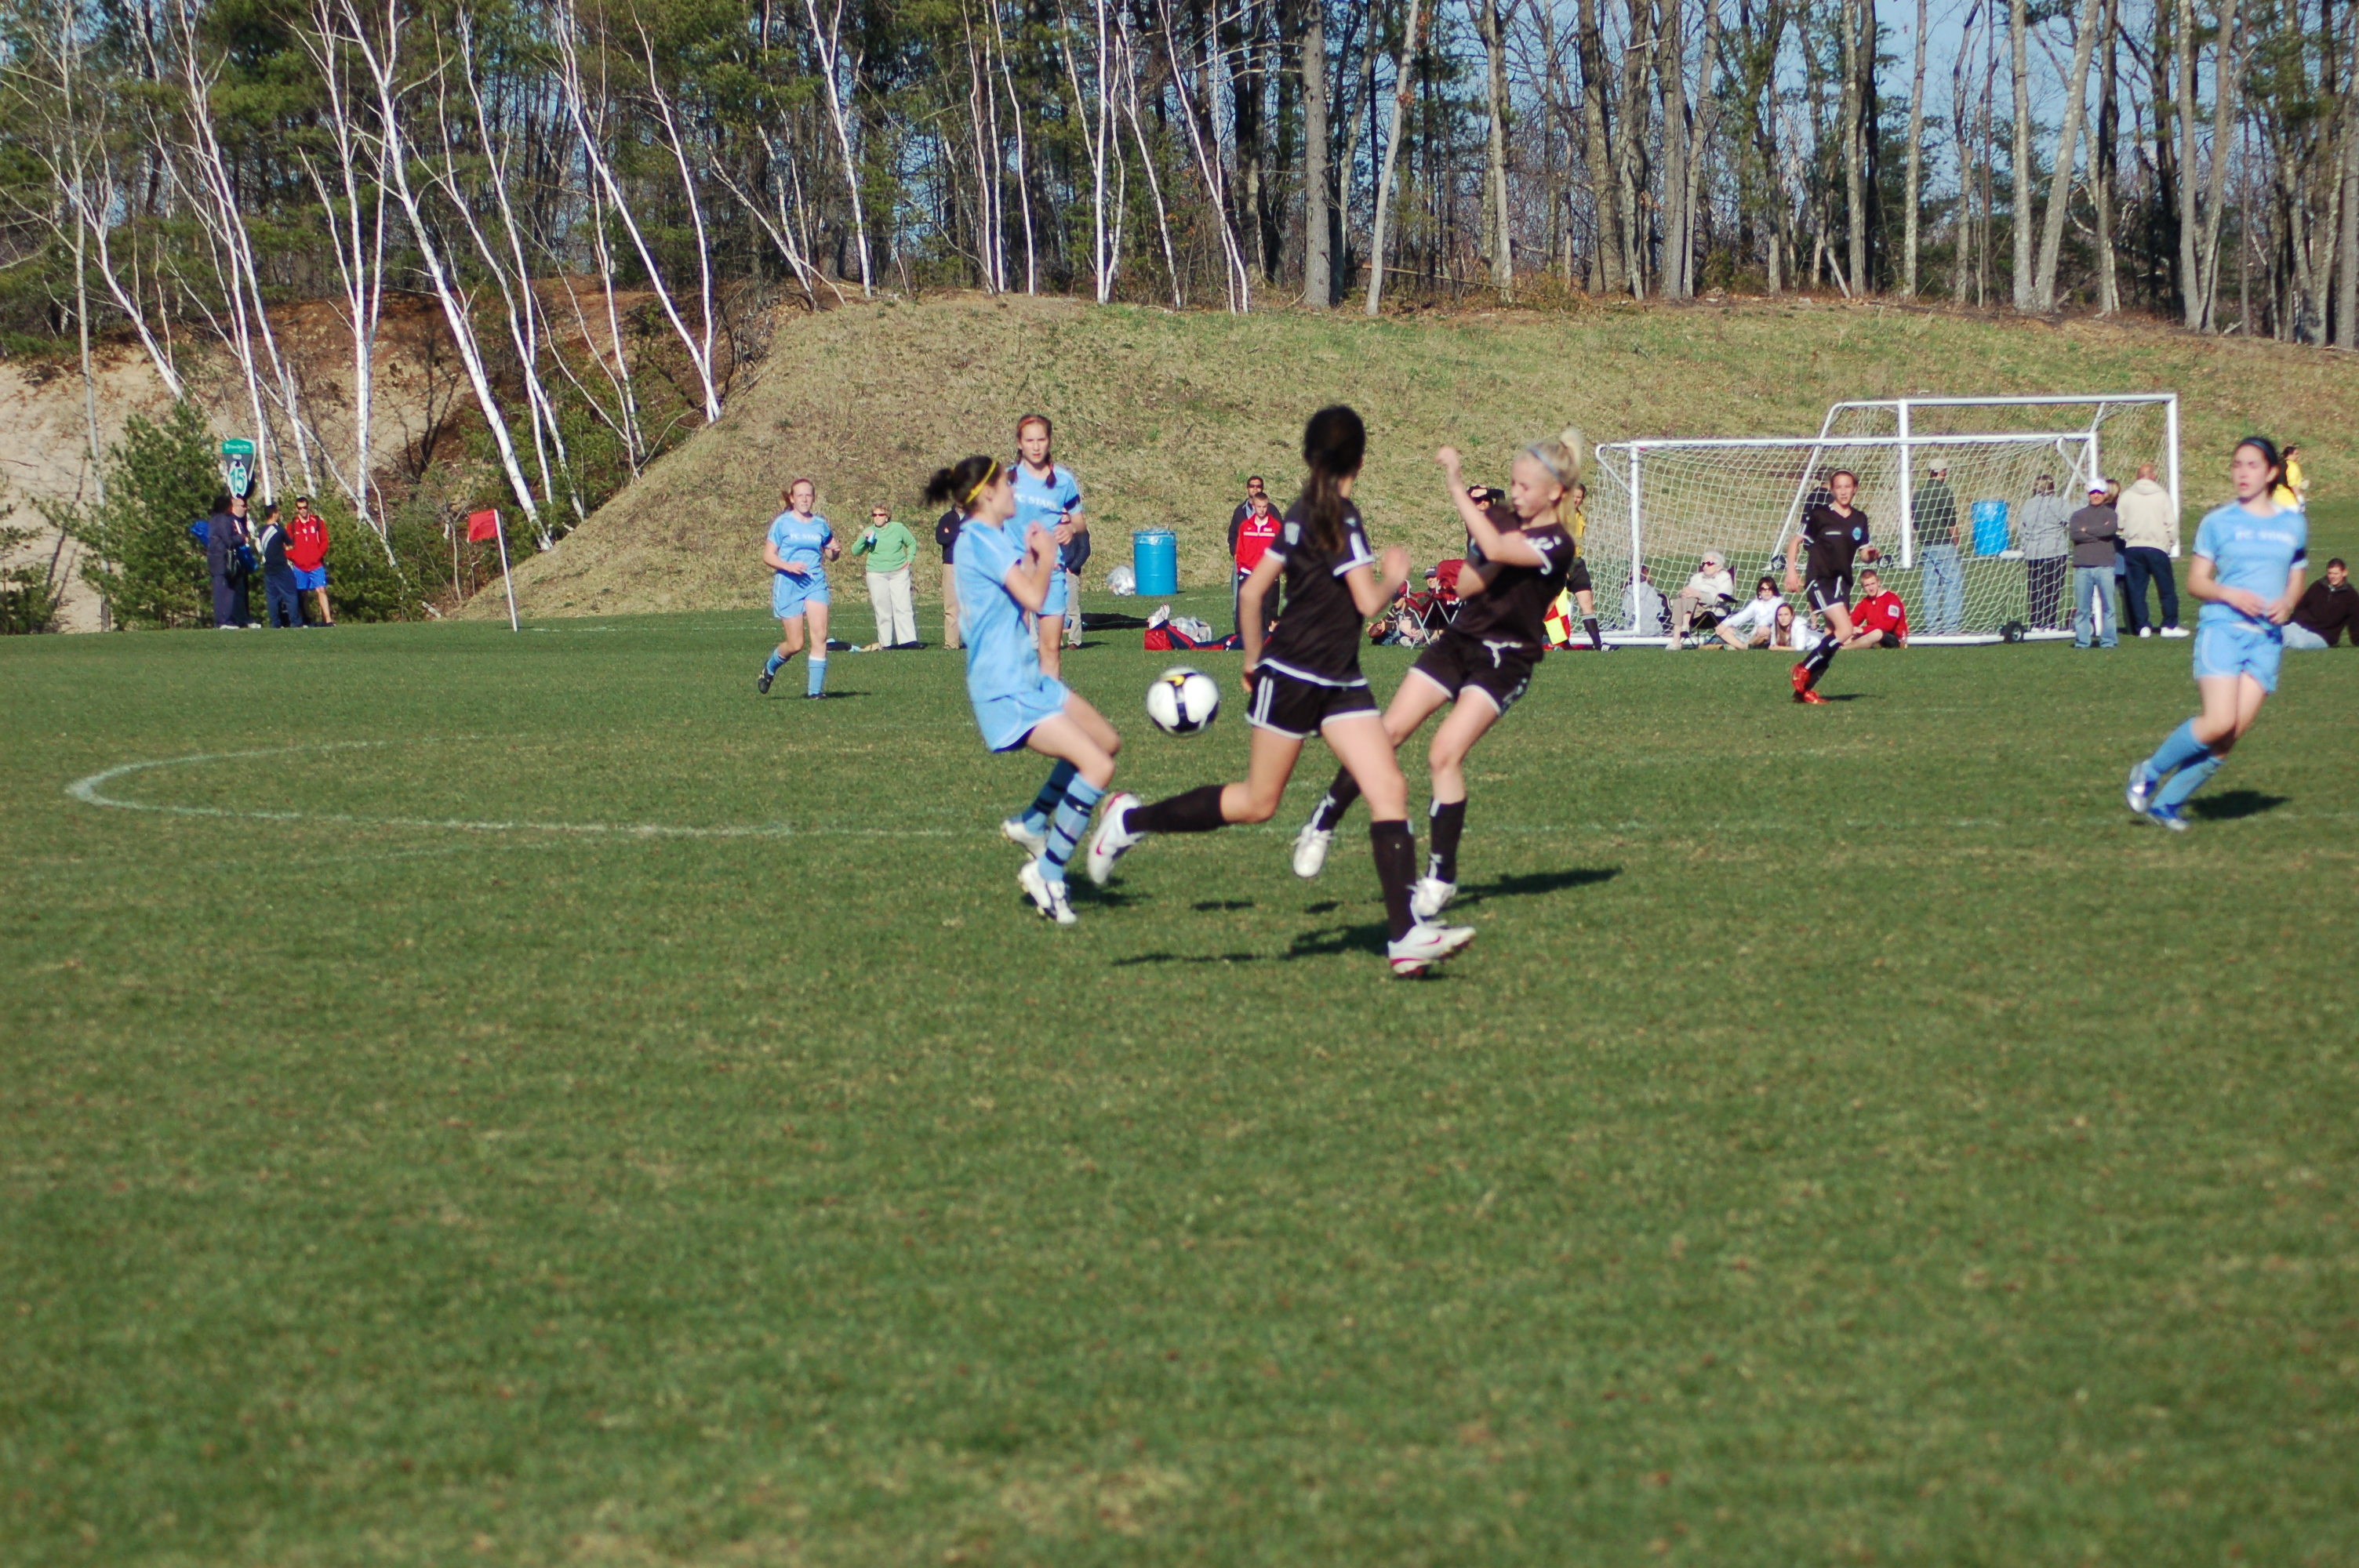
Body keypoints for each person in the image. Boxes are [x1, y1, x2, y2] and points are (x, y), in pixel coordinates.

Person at [1086, 406, 1474, 977]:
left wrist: (1250, 657)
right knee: (1257, 803)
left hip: (1338, 680)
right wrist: (1394, 575)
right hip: (1295, 676)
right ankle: (1128, 822)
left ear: (1310, 457)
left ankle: (1405, 938)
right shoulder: (1340, 516)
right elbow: (1368, 603)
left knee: (1389, 788)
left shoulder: (1298, 511)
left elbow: (1252, 594)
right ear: (1360, 461)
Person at [1289, 431, 1581, 920]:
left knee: (1444, 753)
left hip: (1505, 660)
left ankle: (1441, 877)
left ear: (1555, 492)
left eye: (1525, 487)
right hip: (1459, 643)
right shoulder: (1501, 519)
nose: (1515, 494)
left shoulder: (1557, 542)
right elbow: (1466, 584)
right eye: (1512, 483)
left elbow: (1495, 545)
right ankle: (1322, 822)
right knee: (1386, 733)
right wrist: (1488, 558)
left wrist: (1456, 484)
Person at [925, 454, 1125, 926]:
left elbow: (1018, 593)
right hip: (1004, 685)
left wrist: (1035, 557)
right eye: (1007, 484)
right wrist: (1048, 554)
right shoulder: (981, 539)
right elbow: (1034, 597)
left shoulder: (990, 537)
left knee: (1106, 742)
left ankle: (1034, 821)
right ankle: (1047, 873)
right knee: (1097, 766)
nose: (1015, 491)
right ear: (989, 494)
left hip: (1026, 675)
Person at [2126, 437, 2308, 830]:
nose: (2242, 472)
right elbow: (2196, 582)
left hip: (2266, 640)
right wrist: (2230, 593)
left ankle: (2166, 805)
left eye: (2252, 465)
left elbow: (2296, 576)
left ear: (2271, 472)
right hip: (2223, 630)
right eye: (2237, 464)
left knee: (2228, 739)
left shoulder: (2292, 523)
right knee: (2218, 721)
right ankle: (2149, 772)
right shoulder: (2217, 522)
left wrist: (2289, 603)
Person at [1782, 468, 1876, 702]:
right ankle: (1803, 668)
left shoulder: (1860, 519)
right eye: (1839, 487)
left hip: (1842, 584)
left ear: (1855, 489)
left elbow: (1864, 553)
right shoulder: (1819, 515)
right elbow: (1795, 542)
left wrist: (1871, 555)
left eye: (1848, 487)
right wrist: (1791, 571)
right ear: (1832, 490)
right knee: (1845, 630)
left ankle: (1803, 692)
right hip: (1819, 580)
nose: (1843, 491)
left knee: (1831, 640)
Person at [1011, 414, 1085, 675]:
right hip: (1015, 572)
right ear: (1019, 443)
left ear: (1049, 441)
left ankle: (1049, 699)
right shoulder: (1006, 479)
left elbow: (1080, 523)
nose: (1036, 447)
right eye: (1029, 440)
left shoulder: (1063, 481)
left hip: (1050, 573)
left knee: (1050, 649)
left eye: (1041, 440)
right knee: (1016, 648)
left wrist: (1070, 529)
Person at [757, 479, 841, 698]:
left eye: (808, 495)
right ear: (792, 499)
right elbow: (768, 556)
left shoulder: (820, 524)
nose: (804, 499)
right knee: (796, 644)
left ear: (814, 498)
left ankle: (815, 693)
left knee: (820, 635)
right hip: (789, 585)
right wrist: (788, 566)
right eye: (800, 495)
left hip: (815, 583)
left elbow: (830, 553)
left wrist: (834, 551)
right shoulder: (782, 523)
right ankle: (770, 667)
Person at [2116, 462, 2183, 638]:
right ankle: (2169, 625)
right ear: (2152, 476)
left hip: (2133, 548)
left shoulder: (2127, 496)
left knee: (2137, 590)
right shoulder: (2162, 496)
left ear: (2138, 477)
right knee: (2166, 588)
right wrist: (2169, 543)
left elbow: (2120, 523)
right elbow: (2171, 524)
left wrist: (2127, 538)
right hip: (2157, 547)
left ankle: (2142, 626)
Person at [852, 503, 920, 648]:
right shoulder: (869, 531)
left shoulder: (898, 528)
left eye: (881, 515)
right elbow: (855, 551)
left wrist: (909, 560)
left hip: (899, 572)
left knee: (903, 606)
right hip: (876, 573)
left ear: (887, 516)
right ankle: (886, 643)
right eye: (874, 515)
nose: (877, 518)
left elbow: (912, 543)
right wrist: (864, 539)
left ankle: (908, 641)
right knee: (882, 609)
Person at [1913, 459, 1963, 635]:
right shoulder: (1944, 491)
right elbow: (1950, 521)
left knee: (1930, 586)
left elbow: (1915, 522)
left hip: (1926, 544)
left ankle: (1932, 627)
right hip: (1943, 543)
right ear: (1943, 472)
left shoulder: (1918, 494)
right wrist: (1956, 541)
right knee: (1953, 583)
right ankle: (1951, 627)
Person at [2070, 479, 2121, 650]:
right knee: (2082, 609)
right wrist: (2098, 533)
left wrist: (2087, 530)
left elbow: (2109, 530)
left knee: (2109, 607)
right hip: (2082, 566)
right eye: (2093, 493)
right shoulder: (2077, 515)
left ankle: (2108, 641)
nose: (2096, 495)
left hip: (2105, 566)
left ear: (2105, 494)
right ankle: (2082, 641)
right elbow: (2075, 535)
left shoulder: (2110, 514)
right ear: (2088, 494)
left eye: (2099, 492)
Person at [2018, 474, 2073, 631]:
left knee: (2035, 588)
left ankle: (2036, 623)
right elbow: (2073, 519)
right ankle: (2049, 623)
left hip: (2033, 552)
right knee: (2052, 588)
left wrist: (2025, 546)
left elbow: (2022, 529)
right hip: (2054, 551)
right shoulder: (2058, 503)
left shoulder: (2028, 504)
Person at [1563, 480, 1608, 650]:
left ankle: (1598, 644)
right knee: (1550, 605)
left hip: (1577, 563)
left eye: (1579, 497)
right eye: (1572, 496)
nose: (1575, 500)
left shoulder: (1578, 516)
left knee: (1587, 602)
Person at [1230, 487, 1281, 634]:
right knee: (1247, 609)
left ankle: (1267, 638)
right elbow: (1240, 549)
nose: (1262, 510)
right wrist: (1241, 569)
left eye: (1264, 507)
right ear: (1254, 506)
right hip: (1248, 573)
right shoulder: (1245, 526)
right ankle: (1243, 639)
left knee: (1268, 610)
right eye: (1259, 507)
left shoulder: (1275, 527)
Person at [1667, 550, 1736, 648]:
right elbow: (1687, 591)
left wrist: (1700, 595)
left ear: (1719, 567)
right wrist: (1683, 593)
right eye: (1704, 564)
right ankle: (1683, 630)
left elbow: (1723, 598)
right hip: (1693, 610)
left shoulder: (1724, 577)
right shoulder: (1697, 577)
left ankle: (1676, 641)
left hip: (1711, 610)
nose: (1705, 566)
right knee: (1681, 600)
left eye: (1710, 563)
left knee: (1685, 601)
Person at [2284, 557, 2353, 648]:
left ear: (2345, 573)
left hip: (2322, 636)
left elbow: (2356, 622)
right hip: (2301, 626)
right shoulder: (2318, 586)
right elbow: (2301, 606)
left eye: (2336, 574)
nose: (2332, 576)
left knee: (2298, 643)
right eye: (2330, 573)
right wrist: (2291, 622)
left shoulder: (2351, 596)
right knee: (2278, 633)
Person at [255, 503, 304, 629]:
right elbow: (290, 545)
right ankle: (295, 621)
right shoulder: (279, 530)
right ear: (274, 514)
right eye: (277, 512)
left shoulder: (262, 531)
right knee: (290, 594)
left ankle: (275, 623)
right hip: (281, 567)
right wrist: (285, 547)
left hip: (268, 569)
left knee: (272, 597)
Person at [287, 495, 333, 627]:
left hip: (316, 565)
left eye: (305, 507)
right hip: (300, 566)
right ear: (296, 509)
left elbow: (325, 541)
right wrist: (294, 557)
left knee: (321, 590)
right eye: (300, 508)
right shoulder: (292, 525)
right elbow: (287, 545)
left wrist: (318, 555)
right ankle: (306, 619)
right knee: (302, 593)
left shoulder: (317, 522)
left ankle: (328, 619)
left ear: (308, 507)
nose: (303, 510)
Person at [205, 492, 248, 630]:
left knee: (225, 589)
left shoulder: (213, 520)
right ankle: (222, 621)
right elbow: (228, 540)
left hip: (215, 558)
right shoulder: (224, 520)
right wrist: (241, 538)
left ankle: (226, 619)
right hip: (221, 559)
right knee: (223, 590)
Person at [1841, 568, 1908, 648]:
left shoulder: (1892, 599)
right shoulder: (1865, 602)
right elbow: (1854, 619)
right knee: (1848, 636)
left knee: (1877, 633)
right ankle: (1840, 647)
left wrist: (1863, 630)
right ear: (1863, 587)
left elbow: (1888, 625)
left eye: (1873, 584)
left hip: (1894, 639)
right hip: (1873, 635)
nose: (1871, 588)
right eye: (1867, 585)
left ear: (1878, 583)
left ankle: (1845, 648)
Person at [1714, 577, 1784, 648]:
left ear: (1774, 590)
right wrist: (1725, 623)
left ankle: (1744, 646)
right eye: (1763, 589)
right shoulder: (1757, 602)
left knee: (1764, 630)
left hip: (1770, 635)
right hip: (1754, 637)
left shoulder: (1779, 601)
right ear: (1759, 591)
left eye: (1770, 589)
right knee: (1723, 629)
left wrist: (1762, 625)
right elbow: (1743, 616)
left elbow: (1773, 616)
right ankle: (1743, 647)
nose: (1767, 591)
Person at [935, 504, 964, 650]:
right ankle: (951, 643)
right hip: (951, 564)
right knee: (951, 605)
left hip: (972, 565)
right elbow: (941, 538)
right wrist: (959, 534)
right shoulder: (947, 518)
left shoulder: (977, 516)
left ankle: (975, 641)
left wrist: (952, 534)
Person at [1623, 564, 1668, 638]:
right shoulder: (1650, 590)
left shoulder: (1628, 590)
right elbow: (1660, 612)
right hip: (1652, 631)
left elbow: (1625, 611)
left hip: (1631, 631)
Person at [2274, 445, 2305, 510]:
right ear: (2290, 454)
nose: (2298, 456)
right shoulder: (2292, 466)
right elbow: (2292, 484)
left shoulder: (2279, 465)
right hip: (2289, 501)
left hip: (2276, 501)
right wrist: (2300, 499)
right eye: (2296, 454)